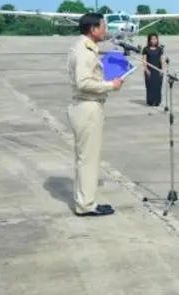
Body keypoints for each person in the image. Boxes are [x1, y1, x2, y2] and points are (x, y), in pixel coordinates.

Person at [66, 13, 124, 217]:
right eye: (103, 27)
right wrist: (110, 85)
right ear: (93, 29)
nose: (106, 31)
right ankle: (86, 205)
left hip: (85, 106)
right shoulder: (84, 51)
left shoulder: (83, 47)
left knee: (86, 158)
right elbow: (83, 82)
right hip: (87, 107)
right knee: (88, 159)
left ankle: (85, 201)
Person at [141, 33, 166, 106]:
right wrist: (146, 69)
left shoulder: (159, 49)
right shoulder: (146, 49)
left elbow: (161, 60)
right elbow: (144, 60)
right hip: (149, 70)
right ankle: (150, 101)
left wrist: (162, 69)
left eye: (155, 39)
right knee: (150, 86)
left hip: (157, 70)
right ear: (149, 40)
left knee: (157, 86)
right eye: (152, 39)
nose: (154, 40)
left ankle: (157, 101)